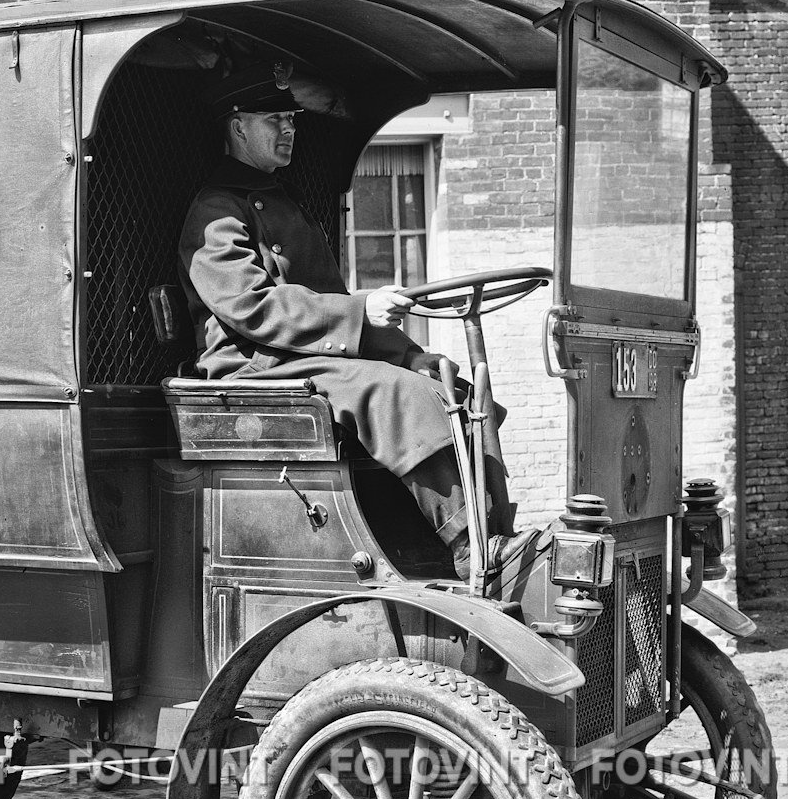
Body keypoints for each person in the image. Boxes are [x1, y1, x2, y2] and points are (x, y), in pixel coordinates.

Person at [176, 62, 536, 579]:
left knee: (448, 383)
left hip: (297, 358)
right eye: (274, 119)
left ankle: (497, 534)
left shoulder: (281, 200)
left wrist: (412, 355)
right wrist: (362, 309)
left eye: (291, 119)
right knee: (395, 393)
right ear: (238, 127)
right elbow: (253, 308)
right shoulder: (215, 211)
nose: (288, 129)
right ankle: (470, 546)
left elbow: (330, 305)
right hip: (253, 369)